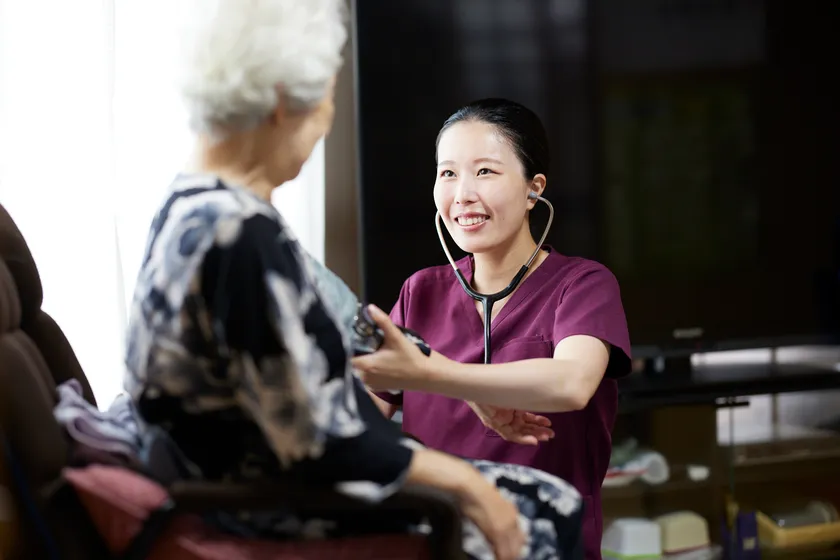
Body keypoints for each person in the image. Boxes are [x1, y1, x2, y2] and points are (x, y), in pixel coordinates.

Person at [123, 2, 586, 559]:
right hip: (265, 503)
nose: (325, 122)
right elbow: (319, 438)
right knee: (546, 505)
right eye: (325, 101)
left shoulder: (192, 206)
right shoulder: (239, 233)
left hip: (242, 482)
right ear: (281, 100)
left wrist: (459, 386)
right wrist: (464, 483)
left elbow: (344, 332)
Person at [353, 98, 632, 560]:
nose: (462, 194)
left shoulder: (583, 285)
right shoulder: (420, 292)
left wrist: (432, 374)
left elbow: (572, 383)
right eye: (447, 173)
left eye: (485, 171)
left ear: (533, 190)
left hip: (544, 544)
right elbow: (356, 417)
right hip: (435, 544)